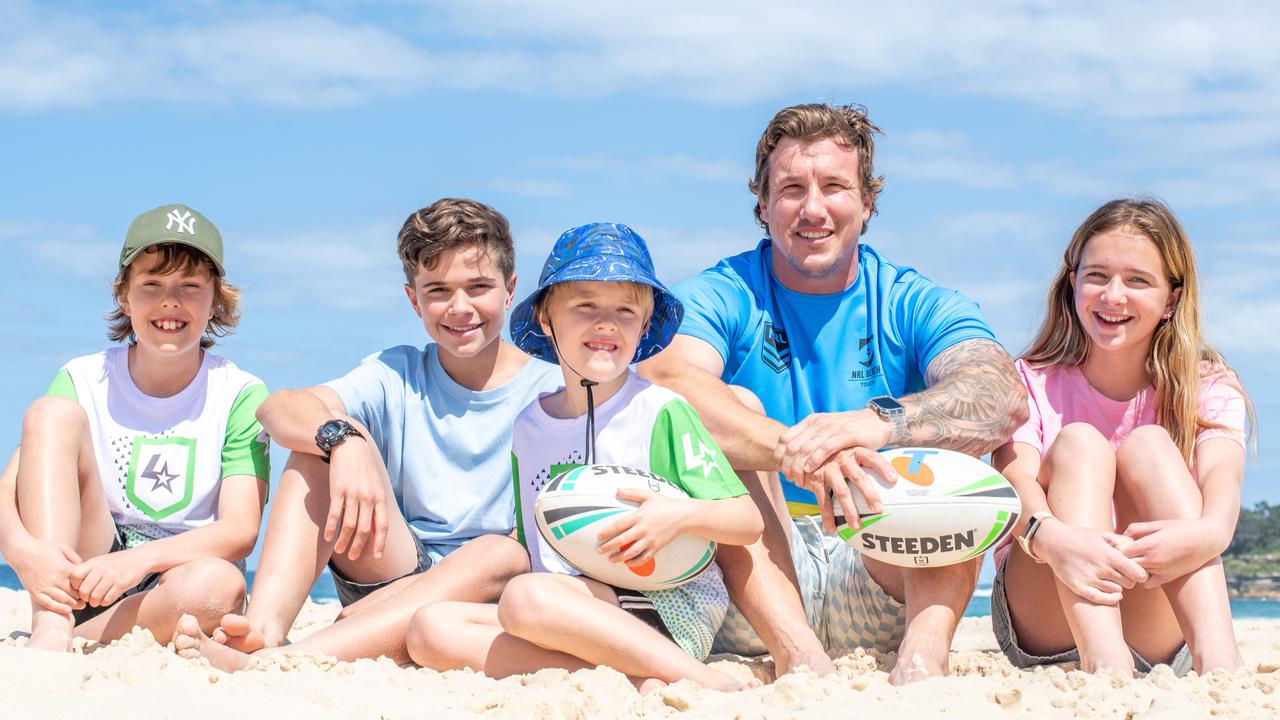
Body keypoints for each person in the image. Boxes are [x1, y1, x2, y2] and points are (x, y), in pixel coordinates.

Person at [639, 103, 1029, 684]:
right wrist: (802, 449)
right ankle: (800, 657)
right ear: (763, 205)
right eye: (791, 188)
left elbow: (1001, 394)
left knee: (951, 427)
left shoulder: (908, 299)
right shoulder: (726, 291)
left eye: (835, 187)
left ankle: (924, 660)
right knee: (729, 410)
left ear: (867, 203)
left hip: (879, 567)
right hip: (753, 580)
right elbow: (661, 378)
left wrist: (876, 424)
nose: (813, 208)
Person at [172, 198, 560, 670]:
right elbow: (276, 407)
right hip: (393, 570)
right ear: (413, 299)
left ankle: (292, 662)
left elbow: (536, 546)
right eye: (437, 290)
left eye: (478, 287)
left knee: (500, 552)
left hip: (487, 595)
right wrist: (344, 440)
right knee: (319, 445)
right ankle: (264, 632)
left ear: (509, 289)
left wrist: (405, 600)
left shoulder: (551, 391)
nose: (460, 307)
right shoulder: (396, 373)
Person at [405, 223, 764, 691]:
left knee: (525, 598)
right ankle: (636, 680)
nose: (605, 324)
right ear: (546, 320)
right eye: (585, 307)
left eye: (625, 311)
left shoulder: (659, 411)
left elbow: (746, 520)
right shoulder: (529, 428)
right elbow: (534, 541)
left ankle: (696, 677)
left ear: (645, 322)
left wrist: (676, 517)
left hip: (667, 604)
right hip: (569, 606)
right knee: (430, 630)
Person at [990, 198, 1254, 676]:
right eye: (1097, 276)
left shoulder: (1209, 386)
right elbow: (1013, 488)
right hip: (1047, 599)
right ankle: (1105, 666)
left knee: (1151, 444)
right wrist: (1055, 539)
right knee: (1080, 444)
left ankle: (1218, 661)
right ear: (1072, 284)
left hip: (1153, 611)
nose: (1113, 296)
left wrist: (1207, 533)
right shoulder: (1026, 380)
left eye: (1137, 281)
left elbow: (1222, 491)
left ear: (1171, 299)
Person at [0, 204, 269, 652]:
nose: (170, 301)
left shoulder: (240, 392)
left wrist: (138, 562)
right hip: (88, 562)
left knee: (218, 587)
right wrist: (21, 552)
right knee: (50, 413)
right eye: (152, 284)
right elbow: (10, 489)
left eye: (190, 286)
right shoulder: (82, 377)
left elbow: (241, 529)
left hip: (176, 572)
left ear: (216, 300)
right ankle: (51, 622)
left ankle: (83, 637)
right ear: (124, 296)